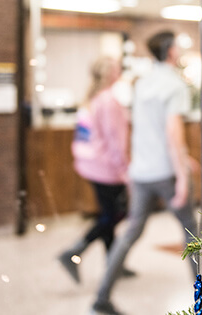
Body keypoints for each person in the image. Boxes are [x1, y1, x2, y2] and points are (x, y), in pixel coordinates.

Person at [91, 31, 198, 315]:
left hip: (141, 172)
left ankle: (101, 298)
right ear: (171, 52)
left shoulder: (143, 83)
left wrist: (182, 158)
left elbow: (146, 129)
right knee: (192, 233)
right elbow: (173, 134)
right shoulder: (175, 85)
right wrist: (183, 177)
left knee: (130, 233)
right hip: (165, 173)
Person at [59, 56, 133, 284]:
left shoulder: (92, 98)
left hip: (92, 166)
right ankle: (74, 251)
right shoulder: (109, 101)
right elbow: (115, 141)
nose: (120, 69)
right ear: (110, 72)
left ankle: (113, 263)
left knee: (109, 214)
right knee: (115, 214)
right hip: (107, 169)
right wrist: (125, 171)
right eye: (116, 66)